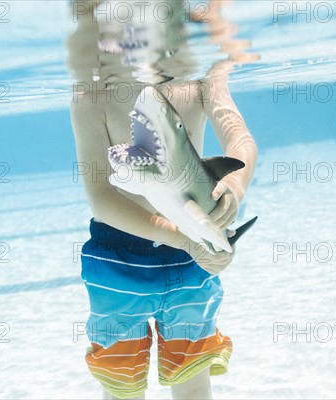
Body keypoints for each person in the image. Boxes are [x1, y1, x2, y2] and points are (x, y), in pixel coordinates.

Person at [67, 1, 257, 398]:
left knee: (192, 380)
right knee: (122, 387)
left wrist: (233, 191)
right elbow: (102, 198)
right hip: (118, 257)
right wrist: (187, 238)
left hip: (192, 255)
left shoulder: (200, 80)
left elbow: (239, 142)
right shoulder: (92, 94)